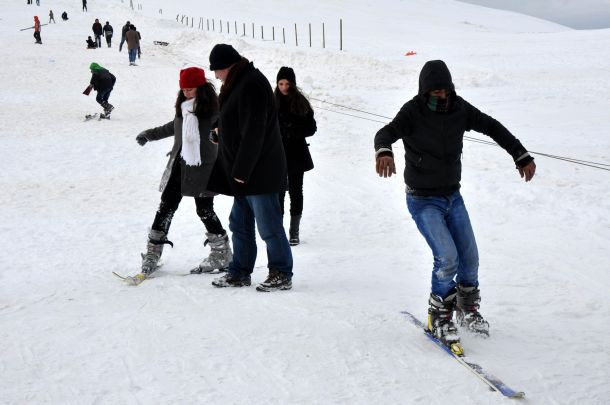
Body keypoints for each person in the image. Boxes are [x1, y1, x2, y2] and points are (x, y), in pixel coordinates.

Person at [374, 60, 536, 354]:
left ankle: (466, 308)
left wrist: (520, 154)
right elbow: (385, 133)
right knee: (447, 257)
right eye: (435, 92)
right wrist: (384, 150)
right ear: (425, 92)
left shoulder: (459, 108)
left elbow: (491, 126)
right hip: (423, 200)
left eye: (445, 91)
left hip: (452, 195)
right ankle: (439, 314)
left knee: (469, 258)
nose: (441, 97)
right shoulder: (413, 111)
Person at [207, 44, 293, 292]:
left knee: (269, 227)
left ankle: (281, 273)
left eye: (217, 70)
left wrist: (242, 171)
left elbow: (254, 133)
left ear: (228, 66)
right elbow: (235, 121)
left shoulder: (252, 84)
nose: (216, 75)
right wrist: (220, 133)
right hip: (243, 172)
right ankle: (239, 272)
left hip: (259, 172)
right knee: (240, 224)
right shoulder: (239, 82)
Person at [134, 67, 233, 280]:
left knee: (204, 210)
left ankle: (222, 253)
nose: (187, 93)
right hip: (180, 166)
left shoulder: (214, 110)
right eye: (184, 89)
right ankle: (153, 253)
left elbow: (226, 130)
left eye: (191, 89)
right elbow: (174, 126)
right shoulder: (184, 108)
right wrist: (149, 135)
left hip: (204, 168)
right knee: (165, 207)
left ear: (201, 88)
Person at [274, 67, 317, 246]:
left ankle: (294, 231)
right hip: (276, 154)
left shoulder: (300, 102)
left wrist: (293, 131)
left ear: (293, 84)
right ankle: (279, 229)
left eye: (287, 83)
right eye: (281, 83)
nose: (284, 87)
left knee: (295, 191)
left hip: (296, 153)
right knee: (279, 193)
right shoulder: (271, 101)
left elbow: (311, 128)